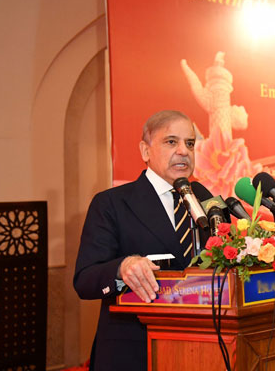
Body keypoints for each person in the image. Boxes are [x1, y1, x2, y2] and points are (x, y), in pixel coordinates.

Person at [73, 110, 210, 371]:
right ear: (145, 151)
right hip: (133, 351)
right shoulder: (112, 203)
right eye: (171, 142)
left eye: (189, 143)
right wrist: (121, 267)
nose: (183, 151)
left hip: (199, 349)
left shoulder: (203, 197)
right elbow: (84, 280)